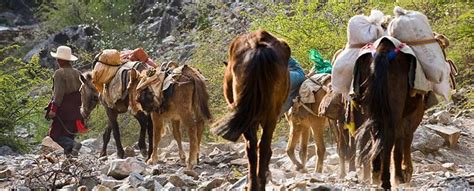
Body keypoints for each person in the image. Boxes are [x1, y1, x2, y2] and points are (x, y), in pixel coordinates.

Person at [47, 46, 84, 156]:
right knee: (68, 134)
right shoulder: (77, 72)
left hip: (64, 109)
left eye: (58, 59)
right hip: (77, 109)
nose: (57, 61)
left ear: (62, 60)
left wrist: (53, 109)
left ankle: (74, 145)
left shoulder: (59, 73)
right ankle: (71, 160)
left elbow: (58, 94)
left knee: (55, 134)